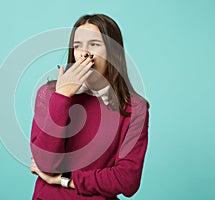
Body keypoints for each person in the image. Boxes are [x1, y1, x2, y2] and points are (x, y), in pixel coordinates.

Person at [30, 14, 149, 200]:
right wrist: (62, 97)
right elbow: (45, 164)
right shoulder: (49, 94)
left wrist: (66, 179)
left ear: (113, 52)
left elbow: (127, 180)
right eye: (78, 45)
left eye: (94, 44)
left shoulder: (135, 109)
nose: (84, 54)